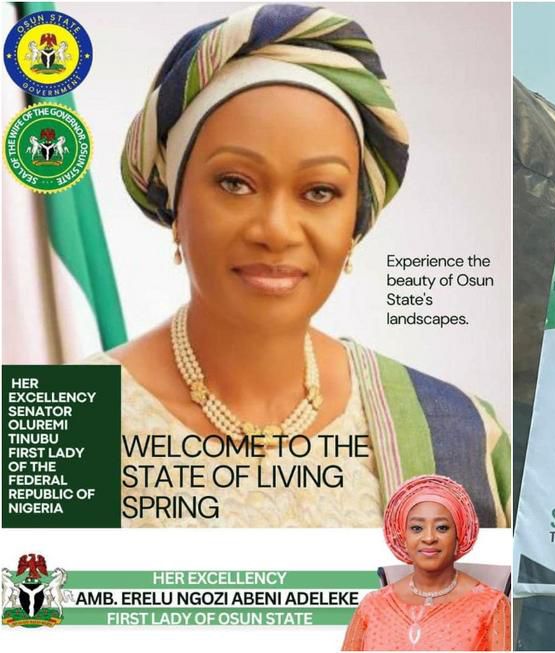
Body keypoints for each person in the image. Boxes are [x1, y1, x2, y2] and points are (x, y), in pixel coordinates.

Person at [85, 4, 510, 528]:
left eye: (319, 191)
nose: (277, 230)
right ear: (175, 201)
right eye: (235, 183)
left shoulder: (459, 432)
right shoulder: (67, 423)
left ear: (354, 223)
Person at [343, 475, 511, 651]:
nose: (429, 538)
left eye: (442, 528)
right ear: (404, 538)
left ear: (458, 536)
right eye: (417, 528)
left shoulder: (492, 605)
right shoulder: (372, 605)